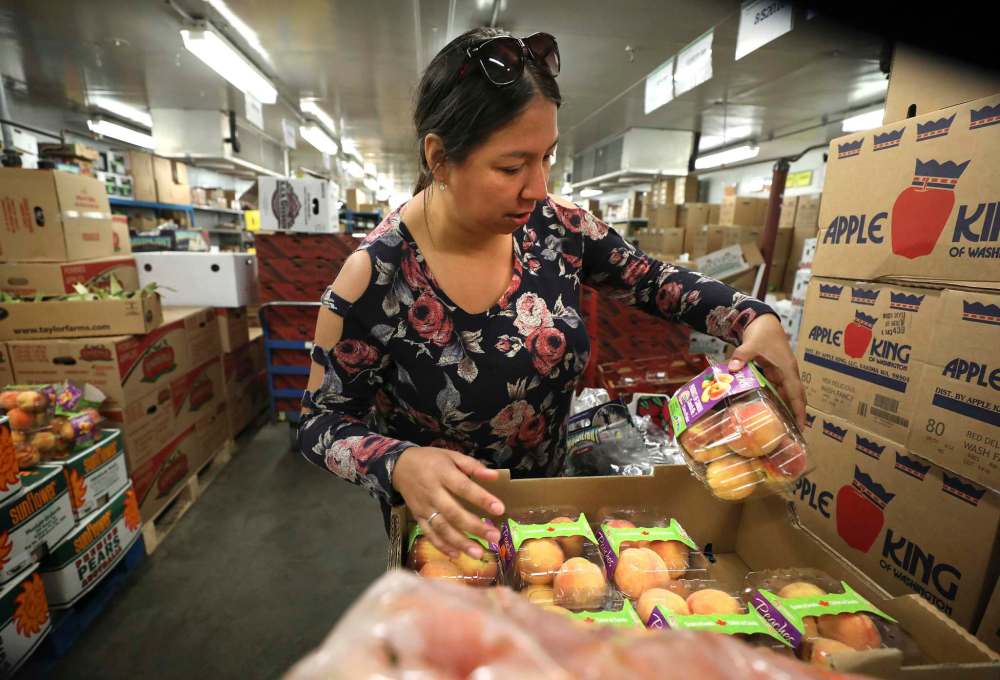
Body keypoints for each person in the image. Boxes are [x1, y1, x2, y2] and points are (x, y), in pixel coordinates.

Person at [298, 27, 806, 562]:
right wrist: (398, 463)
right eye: (512, 167)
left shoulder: (556, 230)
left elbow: (651, 280)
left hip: (551, 519)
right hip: (447, 538)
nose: (538, 187)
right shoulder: (374, 278)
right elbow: (321, 421)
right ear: (440, 158)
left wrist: (751, 317)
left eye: (547, 158)